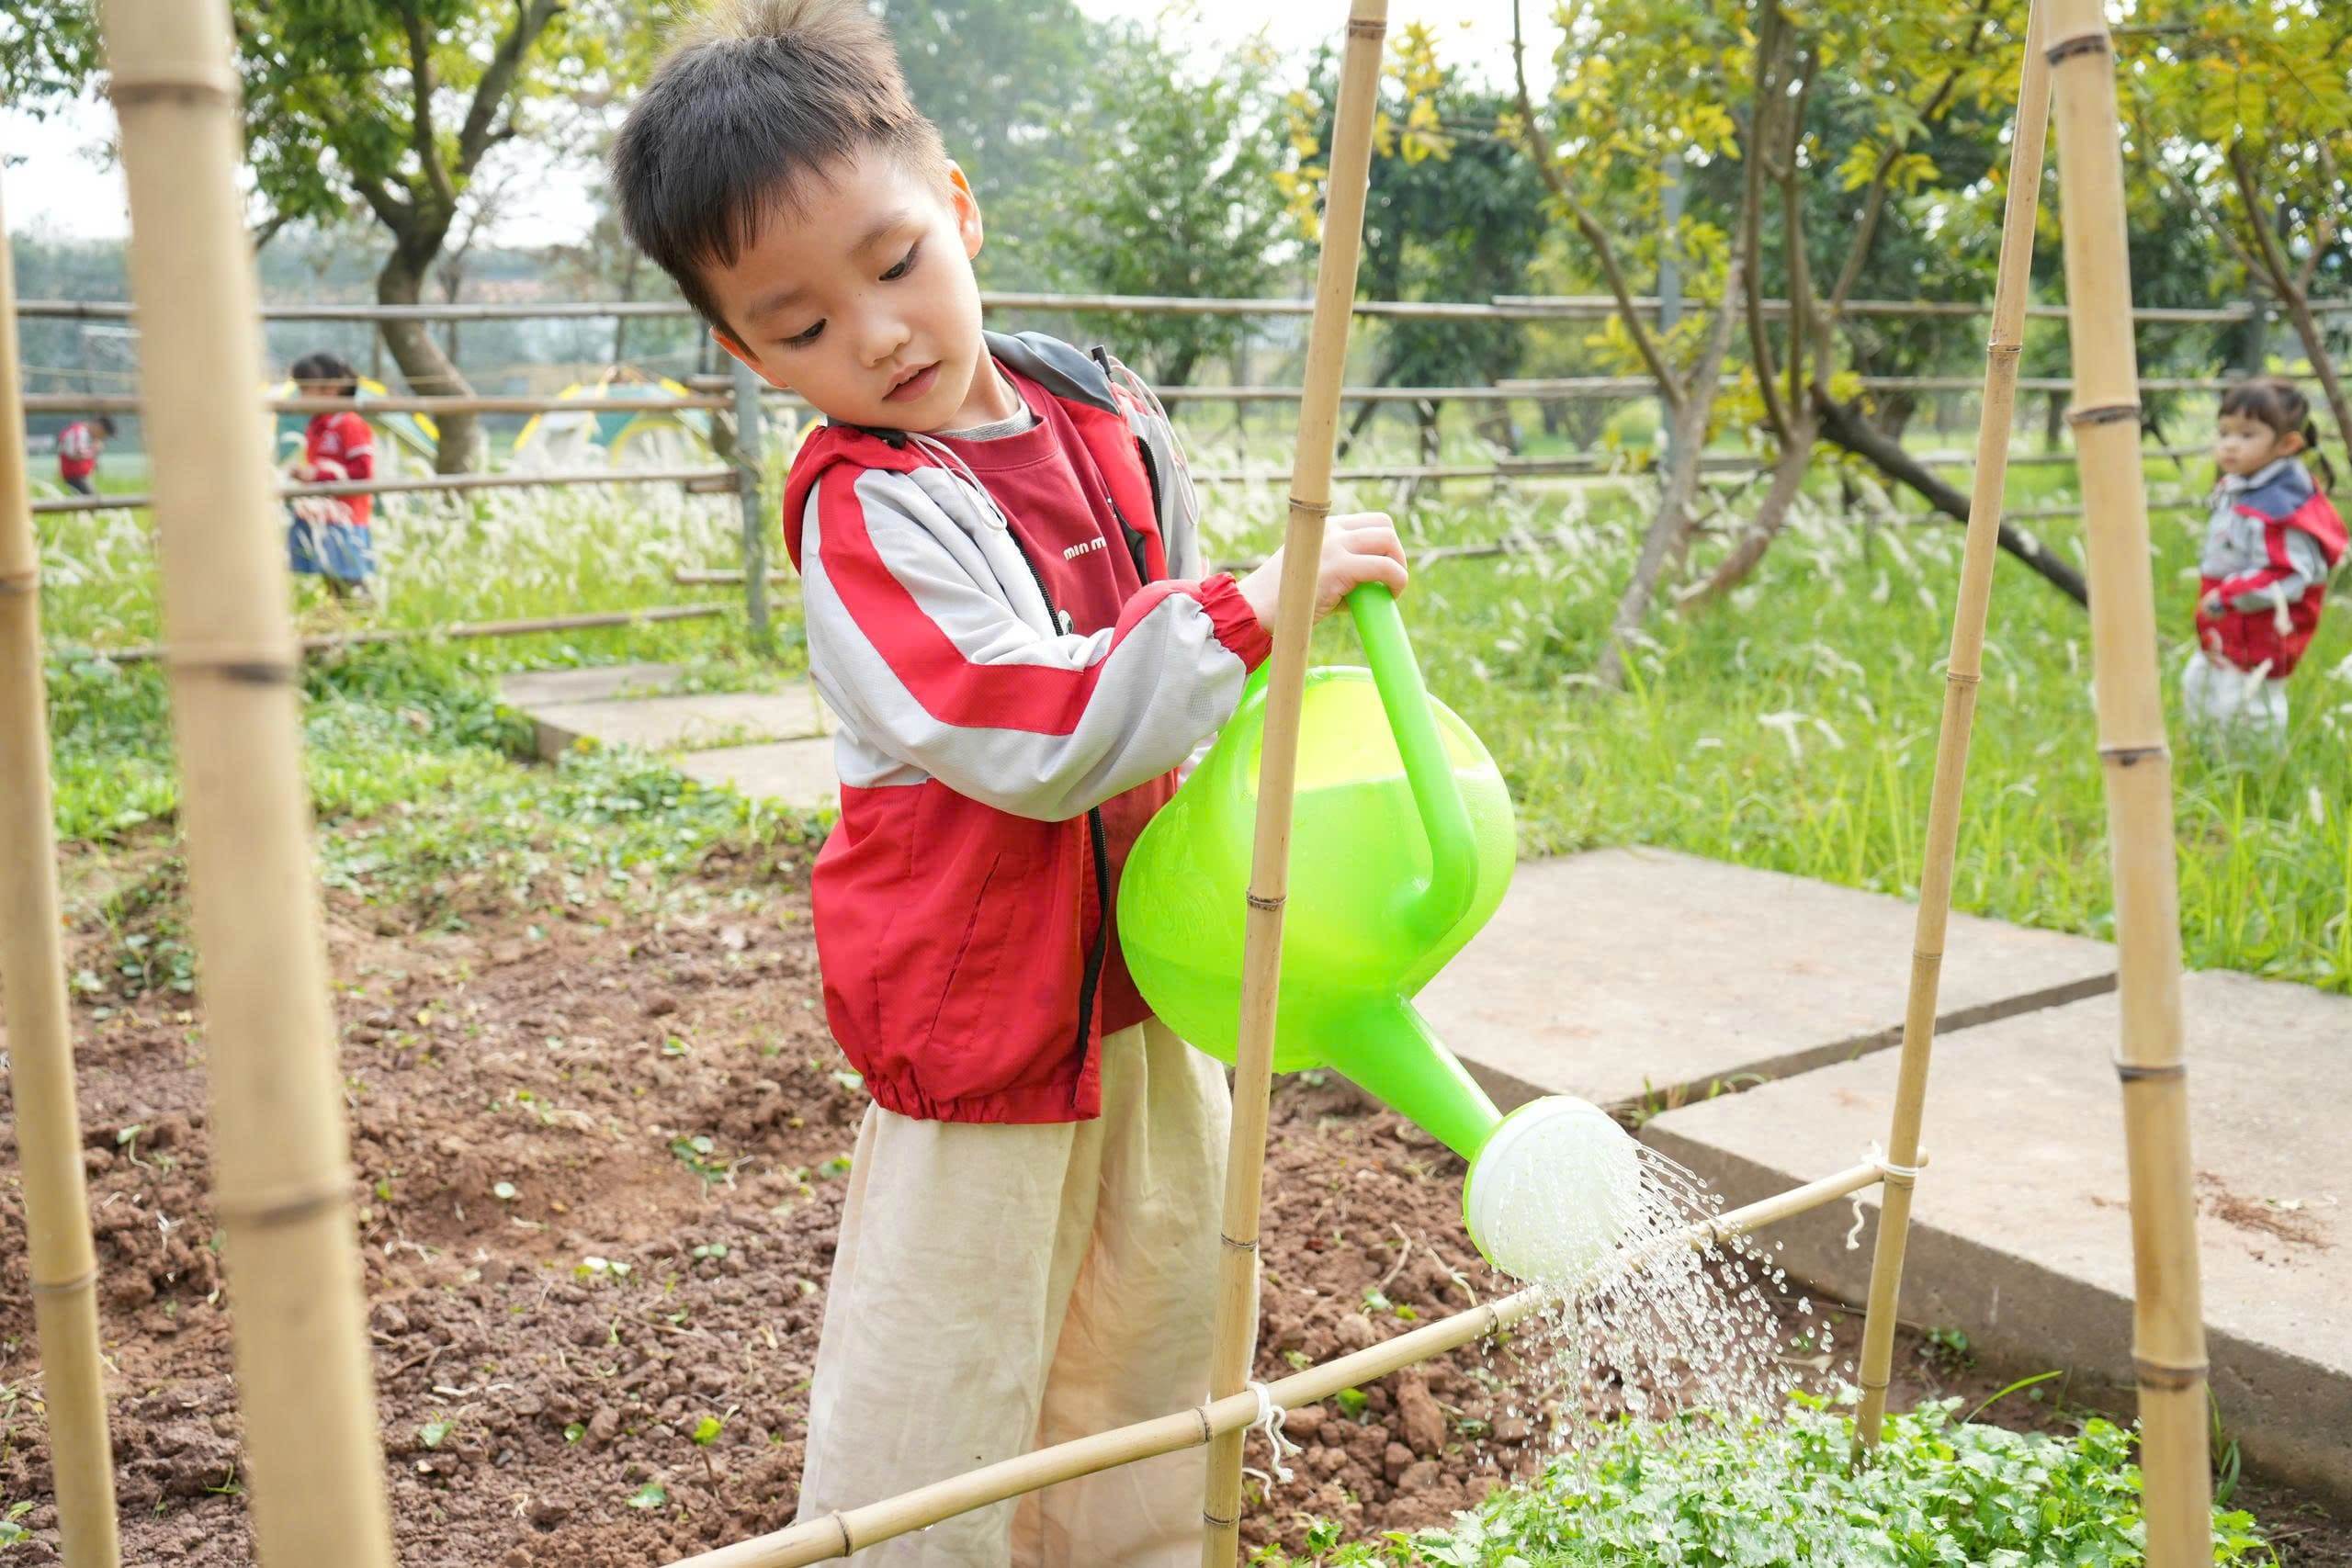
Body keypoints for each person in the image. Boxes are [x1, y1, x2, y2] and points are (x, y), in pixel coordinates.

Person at [609, 5, 1408, 1562]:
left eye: (895, 263)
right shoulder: (867, 511)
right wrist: (1244, 613)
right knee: (950, 1365)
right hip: (982, 1017)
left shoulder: (1101, 412)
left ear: (958, 209)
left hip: (1150, 970)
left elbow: (1184, 666)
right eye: (803, 325)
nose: (880, 334)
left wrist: (1262, 666)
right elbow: (1021, 721)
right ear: (746, 355)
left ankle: (1138, 1546)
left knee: (1159, 1312)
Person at [2182, 377, 2345, 737]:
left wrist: (2227, 595)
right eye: (2224, 433)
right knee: (2199, 687)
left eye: (2246, 435)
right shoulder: (2241, 485)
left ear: (2288, 444)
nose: (2229, 445)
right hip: (2226, 625)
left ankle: (2255, 775)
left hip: (2261, 629)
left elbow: (2290, 574)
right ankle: (2206, 758)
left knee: (2249, 707)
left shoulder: (2281, 506)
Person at [285, 350, 377, 596]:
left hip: (346, 516)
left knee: (349, 574)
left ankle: (362, 618)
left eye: (305, 390)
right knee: (330, 573)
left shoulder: (349, 424)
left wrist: (317, 476)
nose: (300, 397)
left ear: (331, 389)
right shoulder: (317, 426)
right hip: (323, 513)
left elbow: (363, 470)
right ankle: (343, 619)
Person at [55, 415, 115, 496]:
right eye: (103, 435)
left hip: (80, 476)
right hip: (74, 477)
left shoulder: (86, 434)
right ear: (98, 427)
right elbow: (76, 455)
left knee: (93, 501)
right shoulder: (79, 433)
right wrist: (94, 450)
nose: (102, 438)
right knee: (94, 502)